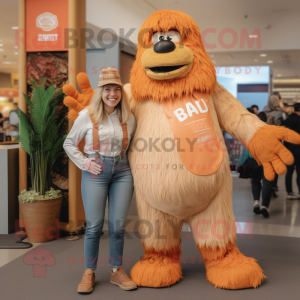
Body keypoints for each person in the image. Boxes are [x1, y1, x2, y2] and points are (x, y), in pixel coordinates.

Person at [63, 67, 137, 293]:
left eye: (116, 89)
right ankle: (89, 271)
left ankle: (116, 271)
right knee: (94, 226)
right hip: (96, 171)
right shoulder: (87, 115)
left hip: (123, 172)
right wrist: (85, 163)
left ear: (121, 92)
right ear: (100, 91)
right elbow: (68, 143)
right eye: (107, 89)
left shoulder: (129, 117)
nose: (112, 94)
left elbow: (133, 146)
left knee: (118, 226)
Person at [237, 111, 273, 218]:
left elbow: (245, 151)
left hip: (254, 162)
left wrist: (239, 165)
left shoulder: (251, 133)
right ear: (266, 120)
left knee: (256, 181)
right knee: (267, 183)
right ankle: (264, 206)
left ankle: (256, 202)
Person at [282, 103, 300, 199]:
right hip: (299, 150)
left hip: (288, 150)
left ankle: (289, 192)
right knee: (299, 172)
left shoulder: (287, 120)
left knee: (289, 172)